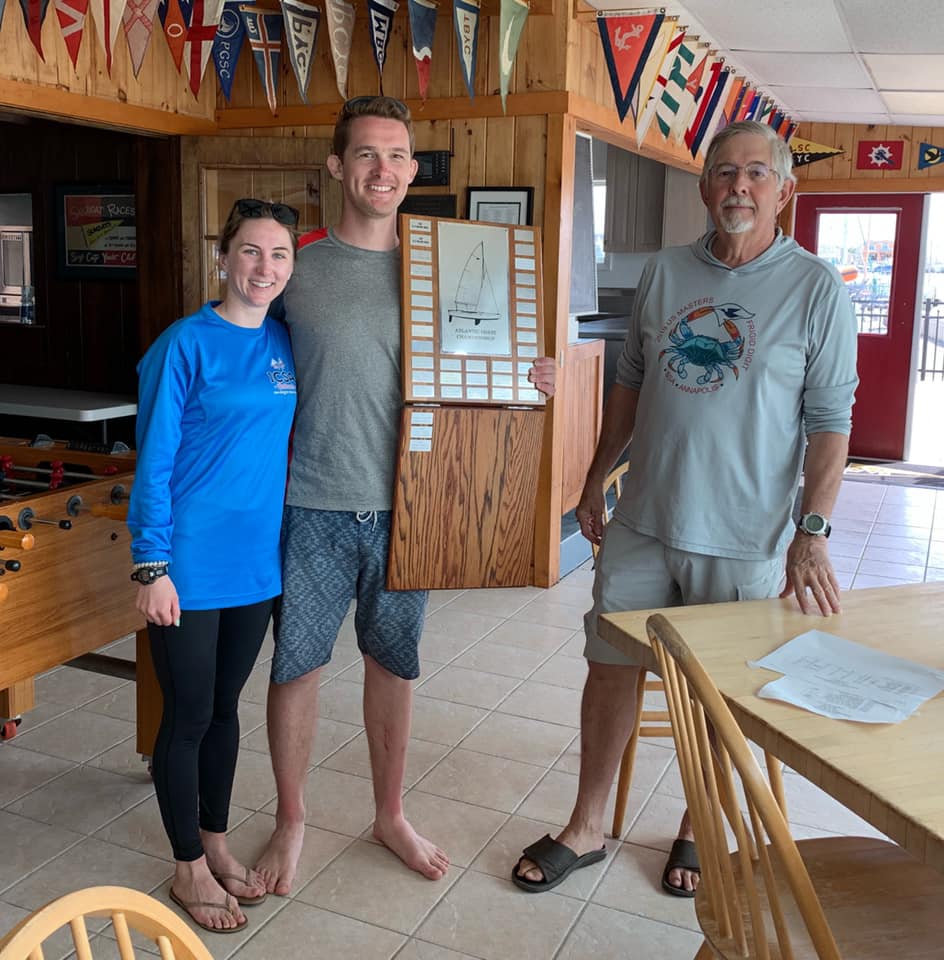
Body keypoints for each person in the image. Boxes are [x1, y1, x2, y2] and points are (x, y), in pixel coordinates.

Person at [512, 120, 858, 897]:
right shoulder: (666, 272)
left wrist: (812, 530)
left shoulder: (816, 288)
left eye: (757, 174)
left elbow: (831, 423)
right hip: (644, 521)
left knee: (716, 690)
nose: (740, 186)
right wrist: (595, 476)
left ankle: (699, 826)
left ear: (784, 190)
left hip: (743, 536)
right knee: (609, 667)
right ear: (705, 188)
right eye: (726, 172)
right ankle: (587, 825)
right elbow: (631, 382)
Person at [254, 95, 556, 895]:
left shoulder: (446, 265)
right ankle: (291, 820)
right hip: (309, 503)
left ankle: (390, 814)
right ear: (337, 166)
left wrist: (530, 377)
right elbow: (242, 359)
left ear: (413, 170)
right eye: (365, 154)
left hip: (413, 506)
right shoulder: (297, 266)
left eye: (395, 155)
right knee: (296, 667)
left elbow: (487, 369)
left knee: (394, 665)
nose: (381, 169)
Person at [128, 198, 298, 932]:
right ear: (223, 258)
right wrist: (151, 564)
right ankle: (187, 867)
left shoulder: (284, 342)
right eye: (251, 251)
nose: (265, 267)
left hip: (257, 565)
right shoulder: (183, 345)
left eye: (279, 254)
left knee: (226, 709)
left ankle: (216, 841)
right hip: (189, 564)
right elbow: (155, 458)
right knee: (189, 714)